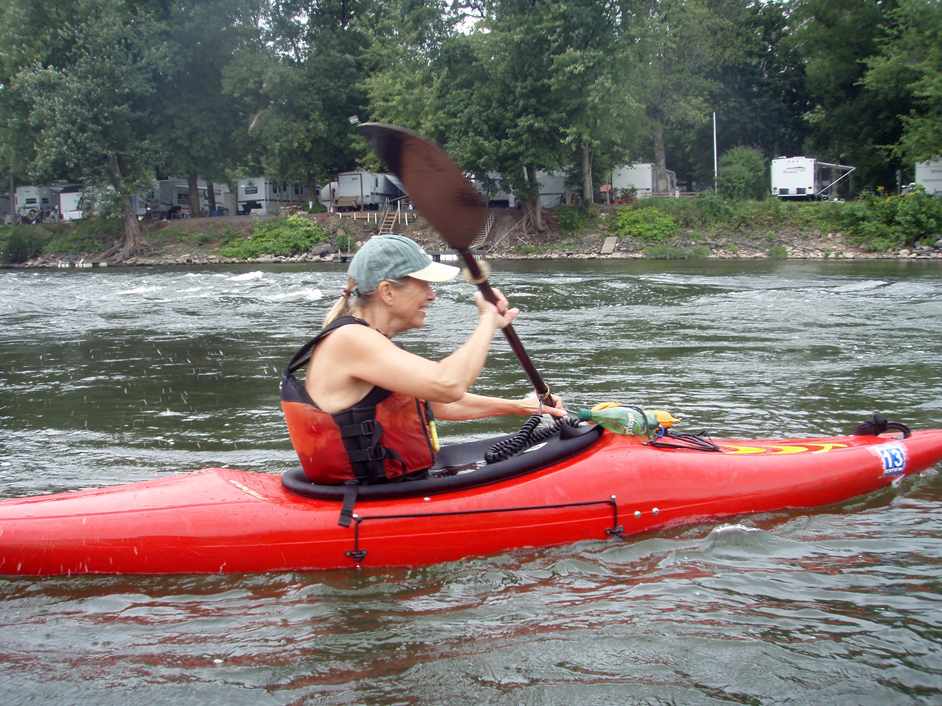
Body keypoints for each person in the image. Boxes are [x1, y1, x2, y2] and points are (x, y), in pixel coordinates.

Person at [281, 234, 564, 485]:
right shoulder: (351, 340)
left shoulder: (368, 339)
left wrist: (524, 407)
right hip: (364, 499)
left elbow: (438, 404)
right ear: (387, 292)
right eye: (424, 285)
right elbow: (448, 385)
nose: (432, 295)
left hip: (386, 487)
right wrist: (488, 321)